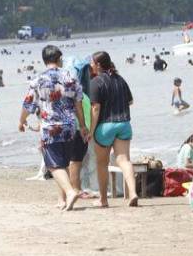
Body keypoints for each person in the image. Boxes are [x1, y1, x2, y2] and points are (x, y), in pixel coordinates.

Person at [19, 44, 88, 211]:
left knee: (53, 165)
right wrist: (83, 126)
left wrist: (21, 121)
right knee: (63, 162)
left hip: (50, 126)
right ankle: (62, 200)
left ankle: (70, 192)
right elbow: (78, 103)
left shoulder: (37, 80)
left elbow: (28, 104)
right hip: (70, 126)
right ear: (58, 59)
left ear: (44, 61)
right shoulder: (71, 77)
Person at [89, 51, 138, 206]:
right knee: (124, 160)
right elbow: (130, 102)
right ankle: (133, 193)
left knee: (102, 163)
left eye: (92, 62)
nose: (91, 65)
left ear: (98, 65)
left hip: (105, 126)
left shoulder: (96, 82)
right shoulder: (121, 80)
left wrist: (91, 131)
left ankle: (103, 200)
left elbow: (96, 108)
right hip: (124, 124)